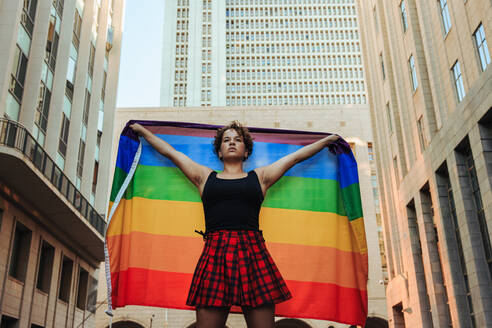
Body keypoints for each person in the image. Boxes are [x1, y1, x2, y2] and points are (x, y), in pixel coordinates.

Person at [129, 121, 340, 328]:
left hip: (253, 254)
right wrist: (141, 131)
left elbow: (295, 158)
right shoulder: (204, 177)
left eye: (238, 140)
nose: (232, 143)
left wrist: (327, 140)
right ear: (219, 151)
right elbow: (171, 153)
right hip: (215, 254)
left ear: (246, 151)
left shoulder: (261, 177)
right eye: (226, 140)